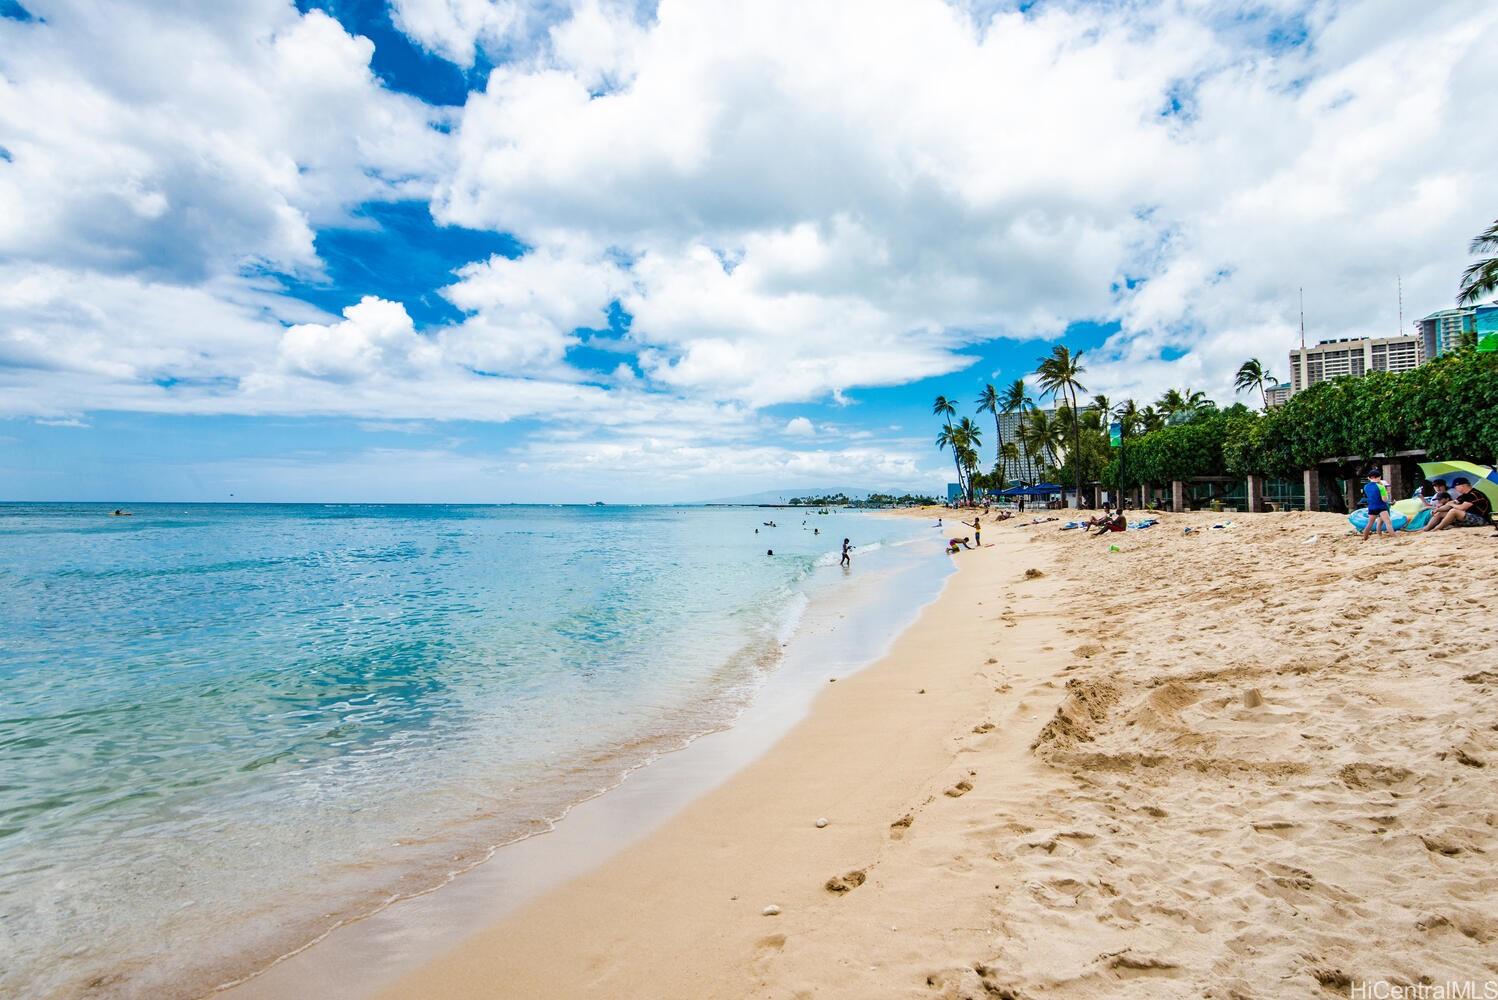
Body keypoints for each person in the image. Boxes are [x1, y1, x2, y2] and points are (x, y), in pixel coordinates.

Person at [1421, 477, 1492, 531]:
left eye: (1455, 487)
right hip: (1467, 517)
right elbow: (1449, 505)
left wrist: (1452, 504)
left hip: (1482, 519)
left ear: (1462, 486)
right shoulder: (1463, 496)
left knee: (1453, 511)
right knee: (1440, 513)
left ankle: (1436, 529)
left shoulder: (1475, 494)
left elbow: (1462, 508)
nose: (1455, 489)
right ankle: (1426, 529)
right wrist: (1438, 509)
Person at [1361, 468, 1394, 541]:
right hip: (1381, 506)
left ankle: (1364, 539)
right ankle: (1394, 537)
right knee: (1388, 523)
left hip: (1371, 507)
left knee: (1369, 524)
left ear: (1369, 478)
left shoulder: (1365, 487)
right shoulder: (1381, 486)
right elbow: (1384, 499)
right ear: (1379, 477)